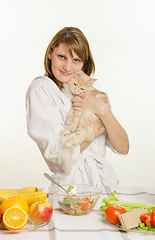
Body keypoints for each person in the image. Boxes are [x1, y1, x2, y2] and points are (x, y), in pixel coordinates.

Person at [26, 27, 129, 189]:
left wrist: (103, 110)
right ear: (50, 54)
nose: (68, 67)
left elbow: (123, 147)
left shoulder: (89, 93)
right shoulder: (42, 89)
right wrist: (97, 130)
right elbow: (58, 156)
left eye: (76, 60)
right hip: (72, 188)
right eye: (61, 57)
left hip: (104, 185)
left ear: (84, 63)